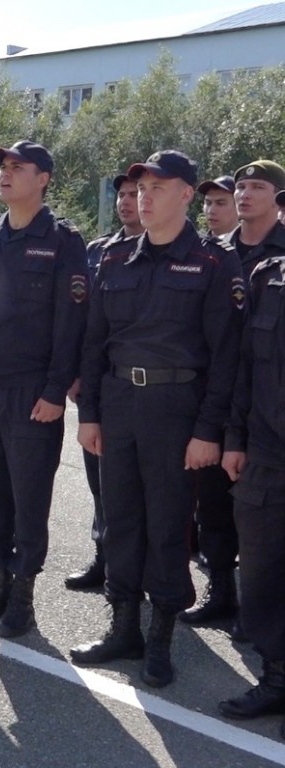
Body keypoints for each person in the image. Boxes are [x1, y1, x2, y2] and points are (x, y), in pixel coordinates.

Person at [71, 150, 244, 688]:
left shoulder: (215, 264)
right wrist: (91, 415)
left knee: (169, 525)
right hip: (120, 404)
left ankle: (162, 637)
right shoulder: (115, 261)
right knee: (120, 519)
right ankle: (124, 626)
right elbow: (95, 345)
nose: (144, 195)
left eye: (158, 187)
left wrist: (207, 431)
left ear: (187, 195)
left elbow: (227, 358)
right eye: (140, 187)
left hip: (177, 411)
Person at [0, 140, 89, 638]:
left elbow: (71, 321)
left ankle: (24, 599)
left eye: (18, 167)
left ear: (44, 178)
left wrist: (56, 390)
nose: (6, 175)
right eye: (3, 168)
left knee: (28, 496)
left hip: (33, 390)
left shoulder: (62, 241)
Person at [185, 160, 285, 631]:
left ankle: (256, 607)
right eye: (240, 186)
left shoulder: (280, 256)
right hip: (213, 396)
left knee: (261, 513)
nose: (245, 194)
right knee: (213, 503)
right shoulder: (214, 253)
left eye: (257, 187)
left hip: (264, 403)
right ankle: (220, 589)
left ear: (277, 198)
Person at [218, 220, 285, 735]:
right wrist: (235, 439)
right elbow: (244, 368)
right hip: (265, 453)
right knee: (260, 572)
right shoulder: (267, 277)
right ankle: (277, 677)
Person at [66, 173, 144, 591]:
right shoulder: (99, 252)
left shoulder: (167, 252)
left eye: (136, 195)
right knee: (100, 481)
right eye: (123, 195)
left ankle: (138, 570)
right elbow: (83, 322)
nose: (128, 202)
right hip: (98, 384)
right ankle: (104, 556)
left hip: (142, 388)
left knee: (140, 492)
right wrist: (77, 373)